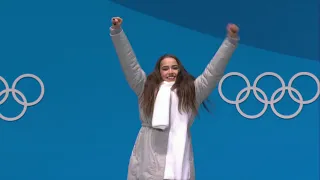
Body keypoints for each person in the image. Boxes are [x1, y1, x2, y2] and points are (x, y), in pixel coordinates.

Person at [110, 16, 239, 180]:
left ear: (180, 70)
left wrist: (230, 41)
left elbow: (213, 72)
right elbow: (129, 64)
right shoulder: (146, 88)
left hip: (179, 167)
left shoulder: (192, 92)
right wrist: (117, 32)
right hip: (147, 164)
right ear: (159, 71)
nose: (170, 71)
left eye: (174, 68)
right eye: (165, 68)